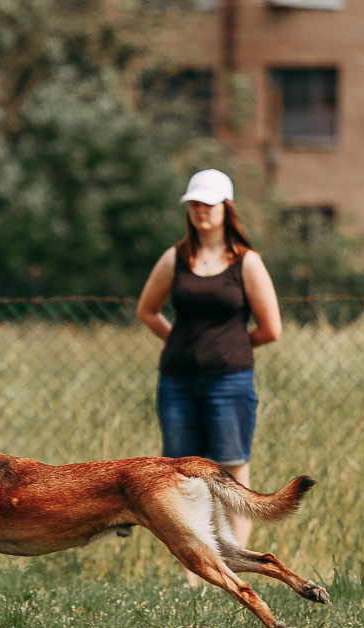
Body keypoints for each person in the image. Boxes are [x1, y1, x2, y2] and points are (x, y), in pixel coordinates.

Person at [137, 168, 282, 581]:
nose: (201, 211)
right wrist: (180, 342)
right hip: (176, 383)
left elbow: (271, 329)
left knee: (232, 472)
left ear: (226, 209)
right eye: (195, 203)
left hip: (229, 382)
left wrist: (229, 349)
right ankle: (196, 576)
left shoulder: (247, 263)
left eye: (209, 203)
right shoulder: (175, 258)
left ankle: (239, 568)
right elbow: (147, 311)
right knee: (181, 477)